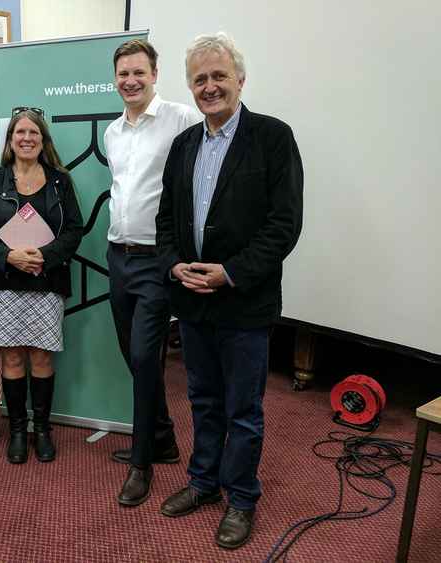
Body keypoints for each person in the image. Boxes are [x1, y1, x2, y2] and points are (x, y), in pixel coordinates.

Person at [156, 33, 303, 549]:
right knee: (201, 398)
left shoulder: (273, 138)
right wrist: (174, 265)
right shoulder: (183, 145)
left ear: (240, 80)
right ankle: (203, 482)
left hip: (244, 300)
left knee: (243, 407)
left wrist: (230, 272)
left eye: (219, 76)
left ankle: (240, 496)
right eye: (200, 79)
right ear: (190, 88)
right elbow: (167, 220)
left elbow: (283, 226)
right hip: (191, 298)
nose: (210, 86)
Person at [103, 38, 199, 507]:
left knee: (145, 357)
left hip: (155, 259)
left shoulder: (182, 119)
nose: (131, 81)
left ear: (155, 73)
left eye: (138, 72)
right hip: (116, 256)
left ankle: (142, 463)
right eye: (123, 73)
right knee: (131, 355)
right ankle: (162, 438)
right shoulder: (112, 131)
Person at [0, 109, 83, 464]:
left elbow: (73, 231)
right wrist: (9, 257)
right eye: (20, 132)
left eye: (33, 133)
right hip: (5, 283)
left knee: (41, 355)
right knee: (12, 355)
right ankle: (18, 430)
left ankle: (42, 430)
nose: (26, 138)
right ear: (10, 140)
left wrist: (44, 257)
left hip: (46, 280)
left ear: (43, 139)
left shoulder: (59, 181)